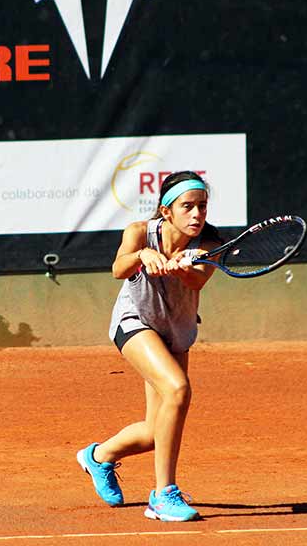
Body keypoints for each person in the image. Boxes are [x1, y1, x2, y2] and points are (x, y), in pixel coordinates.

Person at [76, 170, 222, 522]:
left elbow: (197, 282)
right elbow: (118, 268)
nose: (197, 214)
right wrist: (143, 255)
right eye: (187, 206)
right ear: (166, 211)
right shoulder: (140, 232)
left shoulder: (210, 244)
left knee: (157, 433)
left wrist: (182, 267)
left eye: (202, 206)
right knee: (178, 389)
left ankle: (98, 457)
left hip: (176, 332)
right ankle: (163, 495)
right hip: (135, 321)